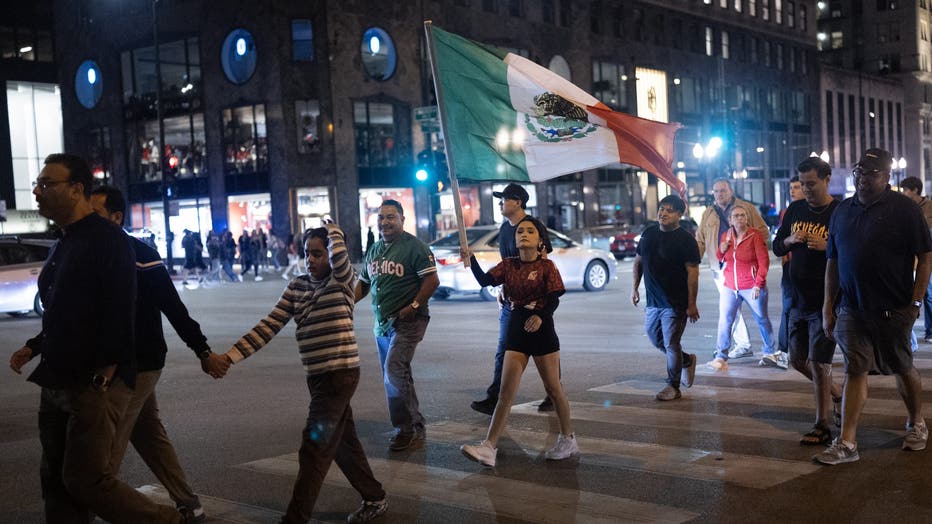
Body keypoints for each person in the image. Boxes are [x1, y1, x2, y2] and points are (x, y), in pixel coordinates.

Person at [8, 154, 183, 523]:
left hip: (91, 383)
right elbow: (66, 311)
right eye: (37, 184)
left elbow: (120, 308)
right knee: (54, 481)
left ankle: (167, 520)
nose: (37, 192)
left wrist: (105, 374)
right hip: (54, 378)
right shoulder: (63, 242)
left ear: (76, 189)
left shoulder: (108, 240)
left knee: (86, 479)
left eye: (47, 184)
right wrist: (34, 346)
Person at [221, 223, 388, 523]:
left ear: (332, 255)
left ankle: (295, 518)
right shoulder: (296, 287)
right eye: (307, 253)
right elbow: (269, 325)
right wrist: (231, 356)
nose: (310, 260)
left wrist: (336, 233)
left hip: (340, 377)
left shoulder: (341, 282)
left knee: (314, 445)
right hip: (318, 380)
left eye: (317, 254)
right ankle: (374, 497)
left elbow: (341, 261)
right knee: (343, 443)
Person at [90, 185, 230, 522]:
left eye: (95, 215)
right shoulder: (92, 255)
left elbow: (174, 308)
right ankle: (189, 504)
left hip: (137, 365)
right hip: (117, 363)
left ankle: (93, 510)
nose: (87, 222)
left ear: (116, 216)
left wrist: (203, 351)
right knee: (149, 435)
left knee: (103, 459)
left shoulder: (141, 256)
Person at [816, 148, 932, 465]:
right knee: (855, 368)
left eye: (871, 173)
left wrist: (916, 300)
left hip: (894, 306)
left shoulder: (905, 210)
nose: (862, 178)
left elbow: (925, 257)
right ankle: (848, 442)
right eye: (858, 171)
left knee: (902, 367)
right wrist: (829, 305)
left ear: (886, 176)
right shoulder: (842, 211)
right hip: (852, 308)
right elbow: (833, 262)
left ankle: (916, 422)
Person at [459, 215, 577, 467]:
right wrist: (472, 261)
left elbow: (555, 297)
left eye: (530, 231)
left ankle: (568, 439)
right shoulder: (508, 265)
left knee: (554, 389)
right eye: (520, 231)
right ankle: (489, 448)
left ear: (539, 240)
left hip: (542, 331)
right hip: (516, 330)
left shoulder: (547, 267)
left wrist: (541, 316)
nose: (523, 234)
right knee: (505, 394)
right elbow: (485, 281)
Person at [355, 200, 440, 451]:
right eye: (381, 217)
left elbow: (432, 280)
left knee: (394, 370)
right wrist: (345, 302)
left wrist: (414, 306)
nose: (385, 222)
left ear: (403, 219)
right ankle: (415, 424)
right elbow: (364, 283)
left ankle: (407, 428)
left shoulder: (415, 247)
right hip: (382, 324)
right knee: (396, 373)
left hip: (409, 321)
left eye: (391, 217)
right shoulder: (375, 250)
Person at [772, 158, 844, 446]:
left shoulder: (840, 212)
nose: (806, 189)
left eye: (811, 184)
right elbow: (777, 245)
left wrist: (829, 246)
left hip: (825, 300)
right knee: (797, 360)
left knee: (819, 362)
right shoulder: (795, 209)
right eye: (802, 184)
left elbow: (853, 250)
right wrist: (790, 240)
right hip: (797, 299)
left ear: (827, 179)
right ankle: (837, 394)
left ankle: (822, 424)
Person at [470, 183, 554, 416]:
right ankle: (494, 397)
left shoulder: (532, 226)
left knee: (545, 351)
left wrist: (541, 302)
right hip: (510, 301)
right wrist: (502, 289)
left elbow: (543, 261)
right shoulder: (505, 229)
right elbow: (507, 265)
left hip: (535, 300)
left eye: (504, 199)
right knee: (504, 348)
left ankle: (554, 393)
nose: (500, 203)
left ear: (517, 202)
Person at [631, 195, 701, 401]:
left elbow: (693, 273)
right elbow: (638, 262)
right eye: (662, 208)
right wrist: (634, 288)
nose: (663, 213)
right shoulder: (648, 234)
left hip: (675, 303)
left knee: (671, 343)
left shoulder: (686, 240)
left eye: (669, 210)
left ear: (680, 214)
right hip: (653, 301)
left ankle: (674, 385)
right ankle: (686, 360)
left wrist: (692, 303)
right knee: (654, 338)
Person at [696, 180, 769, 359]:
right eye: (716, 191)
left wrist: (746, 247)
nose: (719, 194)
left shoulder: (746, 209)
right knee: (729, 310)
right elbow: (700, 239)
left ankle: (762, 347)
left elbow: (763, 232)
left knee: (757, 313)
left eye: (723, 190)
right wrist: (693, 261)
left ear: (730, 191)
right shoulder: (708, 213)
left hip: (745, 269)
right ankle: (741, 344)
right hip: (720, 268)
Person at [708, 206, 783, 371]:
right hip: (730, 287)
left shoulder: (754, 235)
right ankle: (721, 357)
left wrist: (759, 283)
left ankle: (769, 352)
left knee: (761, 319)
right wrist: (721, 250)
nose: (739, 218)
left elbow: (764, 262)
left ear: (747, 218)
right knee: (725, 321)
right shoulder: (726, 236)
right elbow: (722, 258)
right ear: (730, 220)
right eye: (736, 216)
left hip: (751, 286)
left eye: (742, 215)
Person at [900, 176, 932, 344]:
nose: (904, 193)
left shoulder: (929, 207)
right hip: (912, 260)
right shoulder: (906, 209)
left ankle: (930, 331)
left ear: (915, 190)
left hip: (927, 258)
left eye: (906, 190)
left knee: (929, 295)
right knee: (915, 294)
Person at [777, 175, 806, 357]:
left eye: (796, 187)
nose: (792, 191)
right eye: (791, 188)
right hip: (790, 268)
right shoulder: (788, 211)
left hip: (810, 269)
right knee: (788, 307)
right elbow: (780, 242)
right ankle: (784, 349)